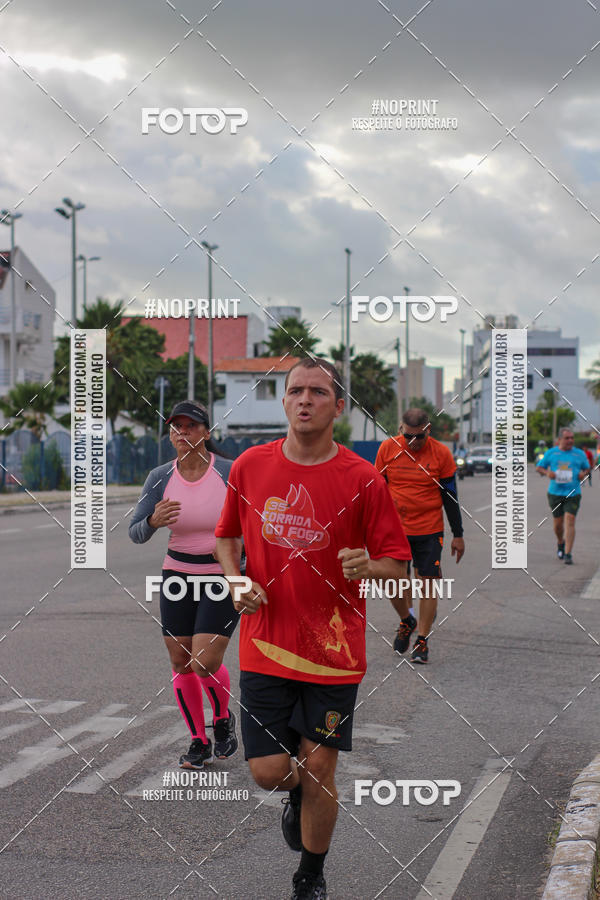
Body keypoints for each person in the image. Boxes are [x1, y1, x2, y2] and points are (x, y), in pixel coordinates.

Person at [214, 358, 410, 900]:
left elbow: (398, 565)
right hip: (264, 646)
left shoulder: (363, 479)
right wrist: (235, 581)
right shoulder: (251, 467)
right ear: (284, 401)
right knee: (270, 771)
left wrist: (367, 566)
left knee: (320, 762)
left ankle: (310, 876)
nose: (305, 400)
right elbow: (226, 539)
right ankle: (295, 795)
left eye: (318, 392)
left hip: (333, 652)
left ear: (337, 406)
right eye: (295, 391)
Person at [129, 400, 239, 768]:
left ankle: (222, 717)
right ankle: (198, 740)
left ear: (207, 432)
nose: (182, 433)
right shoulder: (159, 477)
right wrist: (155, 521)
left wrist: (245, 571)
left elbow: (254, 526)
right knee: (181, 661)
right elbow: (136, 533)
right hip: (177, 575)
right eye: (176, 427)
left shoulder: (230, 472)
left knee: (204, 661)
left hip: (220, 575)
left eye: (191, 426)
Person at [374, 408, 465, 664]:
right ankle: (407, 620)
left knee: (428, 583)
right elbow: (377, 492)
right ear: (401, 429)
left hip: (429, 530)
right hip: (395, 530)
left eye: (419, 437)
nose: (413, 443)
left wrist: (458, 534)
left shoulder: (441, 454)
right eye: (408, 436)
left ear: (428, 430)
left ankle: (422, 640)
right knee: (394, 582)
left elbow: (450, 497)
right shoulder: (388, 450)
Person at [536, 427, 590, 564]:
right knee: (558, 525)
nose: (570, 440)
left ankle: (568, 553)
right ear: (559, 439)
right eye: (567, 438)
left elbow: (587, 468)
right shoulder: (551, 453)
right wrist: (548, 473)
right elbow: (539, 467)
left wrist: (583, 474)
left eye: (572, 438)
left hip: (573, 493)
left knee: (570, 519)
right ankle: (561, 542)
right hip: (555, 493)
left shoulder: (579, 454)